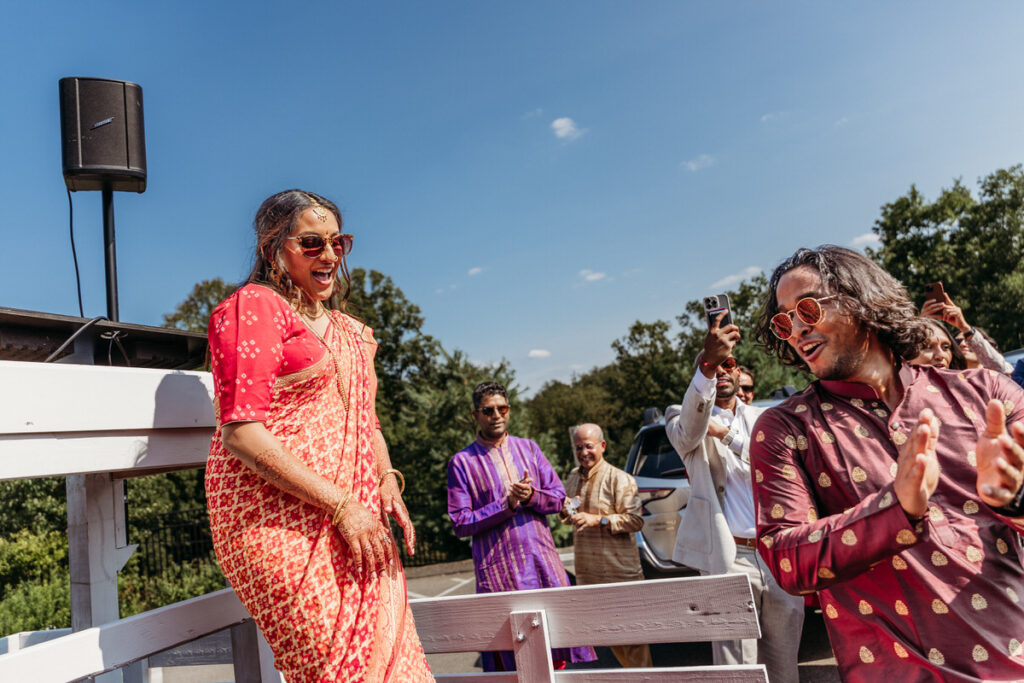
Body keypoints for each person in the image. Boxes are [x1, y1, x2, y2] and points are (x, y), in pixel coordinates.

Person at [751, 245, 1024, 681]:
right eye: (783, 322)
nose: (796, 331)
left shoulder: (986, 393)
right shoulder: (785, 428)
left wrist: (1015, 498)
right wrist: (895, 508)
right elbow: (786, 559)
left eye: (807, 309)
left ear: (861, 300)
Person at [205, 190, 433, 682]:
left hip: (349, 514)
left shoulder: (349, 330)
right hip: (273, 521)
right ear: (273, 250)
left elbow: (362, 418)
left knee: (389, 664)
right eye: (311, 243)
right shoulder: (254, 308)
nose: (329, 257)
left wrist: (386, 479)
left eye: (338, 242)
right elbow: (241, 432)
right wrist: (342, 505)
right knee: (331, 669)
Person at [664, 317, 804, 683]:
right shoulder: (681, 419)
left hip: (778, 553)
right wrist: (706, 366)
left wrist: (725, 434)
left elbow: (777, 466)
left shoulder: (768, 417)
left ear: (742, 376)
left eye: (729, 364)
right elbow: (691, 431)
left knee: (785, 664)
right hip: (729, 558)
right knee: (737, 669)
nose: (723, 371)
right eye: (714, 366)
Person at [447, 382, 595, 672]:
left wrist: (531, 496)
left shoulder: (529, 448)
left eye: (502, 408)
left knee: (555, 653)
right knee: (510, 660)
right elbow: (460, 522)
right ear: (475, 415)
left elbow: (557, 500)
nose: (496, 415)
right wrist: (506, 504)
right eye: (488, 410)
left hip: (542, 566)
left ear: (509, 411)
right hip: (499, 573)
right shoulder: (462, 463)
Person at [560, 423, 651, 668]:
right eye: (578, 447)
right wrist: (567, 508)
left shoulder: (620, 479)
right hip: (589, 576)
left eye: (588, 446)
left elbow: (636, 521)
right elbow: (569, 514)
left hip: (621, 575)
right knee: (610, 638)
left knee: (634, 643)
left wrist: (598, 520)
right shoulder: (572, 476)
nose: (583, 452)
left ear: (602, 446)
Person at [922, 290, 1013, 373]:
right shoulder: (947, 379)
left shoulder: (996, 378)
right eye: (957, 341)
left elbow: (1000, 367)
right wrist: (922, 326)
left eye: (967, 340)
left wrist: (965, 328)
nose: (962, 344)